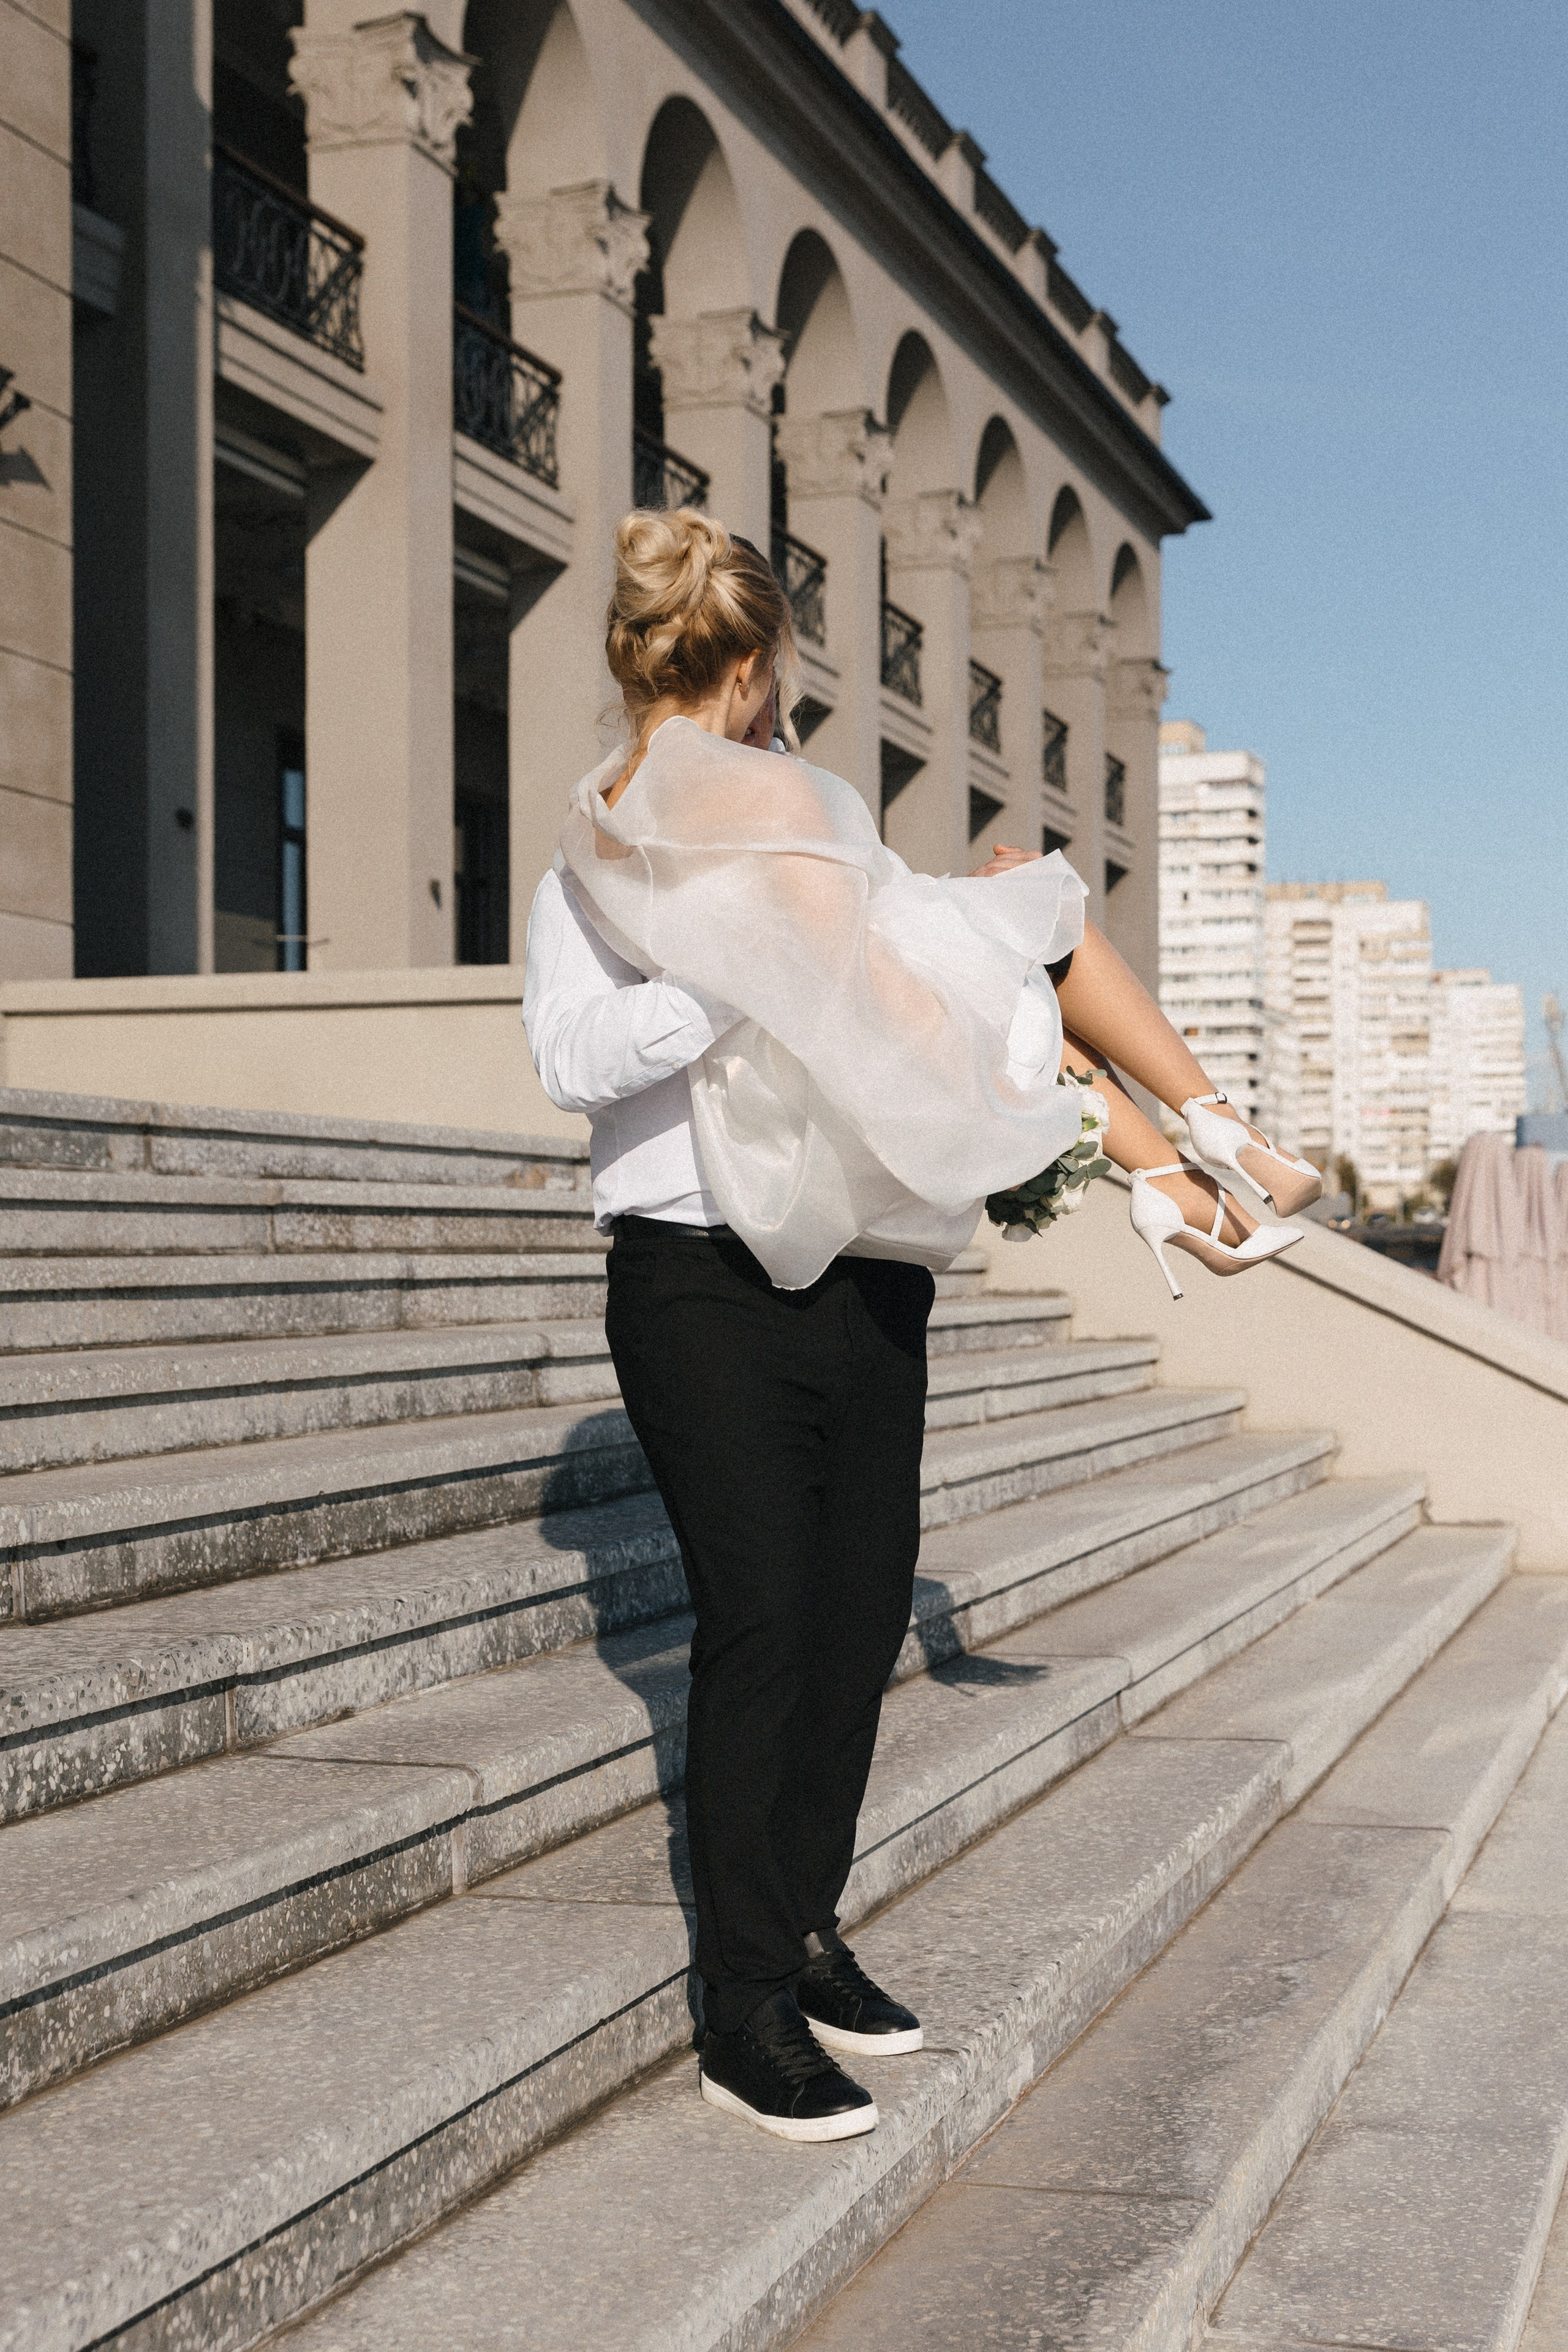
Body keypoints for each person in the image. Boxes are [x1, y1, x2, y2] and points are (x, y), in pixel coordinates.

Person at [523, 510, 1319, 2144]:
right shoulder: (593, 856)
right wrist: (737, 971)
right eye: (772, 680)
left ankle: (803, 1930)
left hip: (861, 1270)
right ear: (748, 671)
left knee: (859, 1612)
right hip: (695, 1276)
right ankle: (742, 2003)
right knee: (760, 1623)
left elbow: (874, 1003)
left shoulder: (800, 836)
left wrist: (809, 927)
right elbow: (577, 1059)